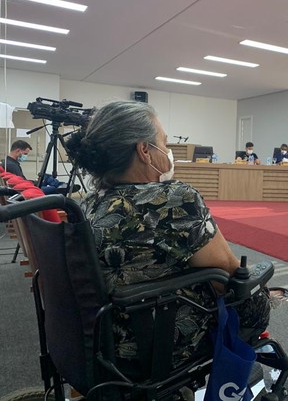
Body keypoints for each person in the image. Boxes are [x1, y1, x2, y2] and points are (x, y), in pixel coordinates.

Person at [64, 101, 271, 367]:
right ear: (144, 151)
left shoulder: (88, 204)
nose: (168, 151)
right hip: (155, 346)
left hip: (98, 343)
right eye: (164, 142)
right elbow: (228, 276)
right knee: (253, 298)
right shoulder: (174, 199)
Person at [2, 140, 78, 194]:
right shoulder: (12, 165)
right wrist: (34, 183)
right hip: (26, 190)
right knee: (52, 188)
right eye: (25, 154)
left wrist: (35, 181)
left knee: (45, 176)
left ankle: (61, 185)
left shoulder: (8, 162)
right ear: (18, 151)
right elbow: (21, 184)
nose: (25, 156)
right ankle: (61, 187)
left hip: (26, 186)